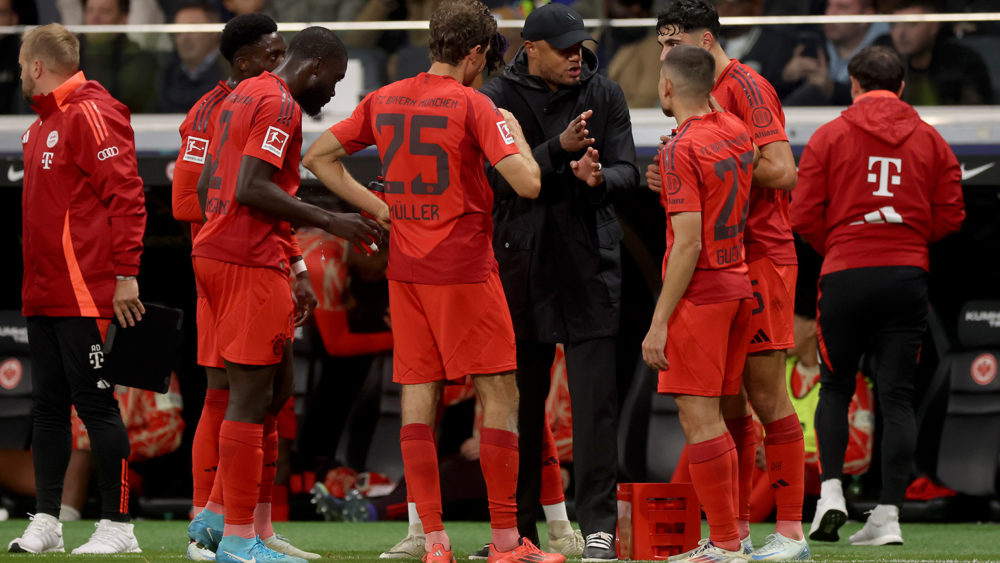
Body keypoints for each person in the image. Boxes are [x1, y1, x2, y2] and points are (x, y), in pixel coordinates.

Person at [304, 1, 570, 561]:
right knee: (501, 393)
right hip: (465, 269)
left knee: (418, 397)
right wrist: (517, 135)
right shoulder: (476, 104)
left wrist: (380, 208)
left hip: (407, 271)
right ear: (475, 51)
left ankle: (431, 538)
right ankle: (505, 542)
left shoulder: (386, 97)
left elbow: (318, 157)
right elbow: (527, 184)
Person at [189, 25, 382, 563]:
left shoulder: (242, 93)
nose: (334, 93)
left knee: (269, 395)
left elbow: (211, 183)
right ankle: (236, 541)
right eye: (336, 80)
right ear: (315, 66)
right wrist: (330, 220)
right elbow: (252, 185)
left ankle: (217, 518)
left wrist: (292, 259)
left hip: (223, 255)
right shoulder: (280, 105)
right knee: (252, 403)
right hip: (244, 263)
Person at [479, 4, 640, 559]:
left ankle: (599, 530)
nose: (577, 58)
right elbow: (491, 181)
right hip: (521, 264)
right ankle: (517, 534)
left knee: (595, 407)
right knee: (519, 407)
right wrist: (557, 151)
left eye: (580, 47)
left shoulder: (606, 91)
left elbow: (629, 170)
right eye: (565, 49)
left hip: (590, 264)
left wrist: (599, 178)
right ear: (531, 49)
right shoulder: (497, 95)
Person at [791, 45, 965, 547]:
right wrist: (906, 240)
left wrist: (842, 245)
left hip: (845, 272)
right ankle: (888, 514)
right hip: (905, 273)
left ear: (854, 85)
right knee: (897, 396)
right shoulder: (931, 140)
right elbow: (953, 212)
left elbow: (802, 215)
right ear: (903, 87)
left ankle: (831, 495)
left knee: (836, 386)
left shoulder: (829, 136)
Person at [652, 1, 807, 559]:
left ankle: (790, 531)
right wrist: (684, 166)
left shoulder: (749, 88)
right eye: (662, 45)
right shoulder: (700, 108)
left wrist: (705, 159)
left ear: (708, 40)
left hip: (761, 253)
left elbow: (784, 170)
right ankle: (734, 532)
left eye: (676, 42)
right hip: (731, 260)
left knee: (766, 396)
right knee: (729, 404)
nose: (667, 54)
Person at [171, 13, 322, 562]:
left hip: (257, 257)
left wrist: (297, 266)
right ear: (245, 60)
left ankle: (244, 524)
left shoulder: (261, 102)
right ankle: (214, 524)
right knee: (229, 399)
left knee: (271, 397)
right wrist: (227, 216)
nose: (283, 64)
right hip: (231, 262)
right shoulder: (210, 110)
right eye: (274, 53)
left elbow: (252, 187)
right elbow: (188, 200)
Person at [9, 22, 146, 555]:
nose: (19, 74)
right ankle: (47, 519)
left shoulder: (93, 110)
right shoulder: (40, 125)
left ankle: (119, 525)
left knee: (97, 406)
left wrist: (127, 273)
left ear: (37, 67)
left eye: (22, 66)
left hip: (86, 291)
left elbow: (129, 195)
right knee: (46, 408)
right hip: (43, 291)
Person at [641, 43, 758, 563]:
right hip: (739, 284)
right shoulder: (736, 130)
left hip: (703, 293)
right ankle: (736, 534)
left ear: (667, 87)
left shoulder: (677, 149)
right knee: (728, 415)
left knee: (701, 421)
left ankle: (727, 542)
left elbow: (687, 242)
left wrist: (658, 321)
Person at [779, 0, 889, 106]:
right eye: (829, 5)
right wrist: (786, 78)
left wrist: (832, 89)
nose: (830, 13)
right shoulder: (811, 42)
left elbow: (878, 100)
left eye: (842, 7)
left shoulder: (888, 50)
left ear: (866, 16)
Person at [889, 0, 994, 105]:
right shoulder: (886, 62)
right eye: (894, 24)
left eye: (912, 24)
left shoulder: (961, 62)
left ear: (934, 26)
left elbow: (975, 113)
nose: (901, 33)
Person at [77, 0, 159, 113]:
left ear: (123, 19)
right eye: (90, 10)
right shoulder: (68, 55)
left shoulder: (140, 61)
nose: (95, 17)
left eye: (104, 11)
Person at [156, 1, 227, 113]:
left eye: (193, 30)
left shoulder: (231, 71)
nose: (185, 38)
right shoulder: (167, 73)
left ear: (214, 32)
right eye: (179, 32)